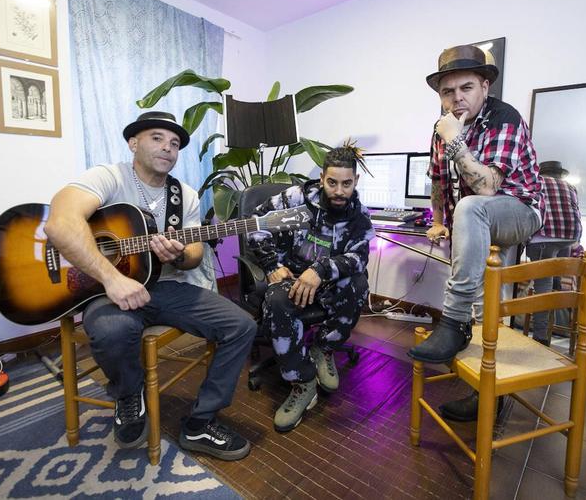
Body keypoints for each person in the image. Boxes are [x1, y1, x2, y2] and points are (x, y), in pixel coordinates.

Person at [44, 111, 256, 461]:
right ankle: (129, 394)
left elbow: (194, 252)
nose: (167, 148)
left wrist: (177, 255)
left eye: (174, 144)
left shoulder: (183, 195)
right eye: (157, 137)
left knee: (241, 325)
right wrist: (113, 278)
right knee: (113, 332)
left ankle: (201, 422)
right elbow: (60, 224)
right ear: (134, 142)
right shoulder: (108, 177)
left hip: (165, 287)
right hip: (104, 289)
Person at [407, 45, 544, 421]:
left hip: (518, 211)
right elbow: (438, 180)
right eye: (448, 92)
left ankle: (452, 322)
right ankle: (484, 395)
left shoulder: (504, 118)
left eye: (465, 88)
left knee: (470, 206)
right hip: (475, 220)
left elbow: (486, 187)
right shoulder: (442, 129)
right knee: (484, 301)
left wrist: (455, 141)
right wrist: (438, 220)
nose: (456, 99)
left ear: (484, 86)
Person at [248, 147, 375, 432]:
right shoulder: (295, 198)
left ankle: (323, 348)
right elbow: (255, 222)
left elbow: (358, 258)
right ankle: (302, 380)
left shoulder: (360, 217)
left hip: (326, 281)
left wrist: (319, 271)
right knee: (277, 299)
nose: (339, 191)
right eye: (332, 182)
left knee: (359, 282)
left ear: (355, 181)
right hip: (290, 275)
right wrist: (270, 265)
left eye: (346, 183)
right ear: (321, 178)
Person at [526, 160, 582, 345]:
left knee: (543, 288)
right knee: (553, 278)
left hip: (544, 238)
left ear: (542, 172)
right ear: (560, 174)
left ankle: (541, 337)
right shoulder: (570, 187)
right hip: (569, 237)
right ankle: (556, 284)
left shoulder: (537, 183)